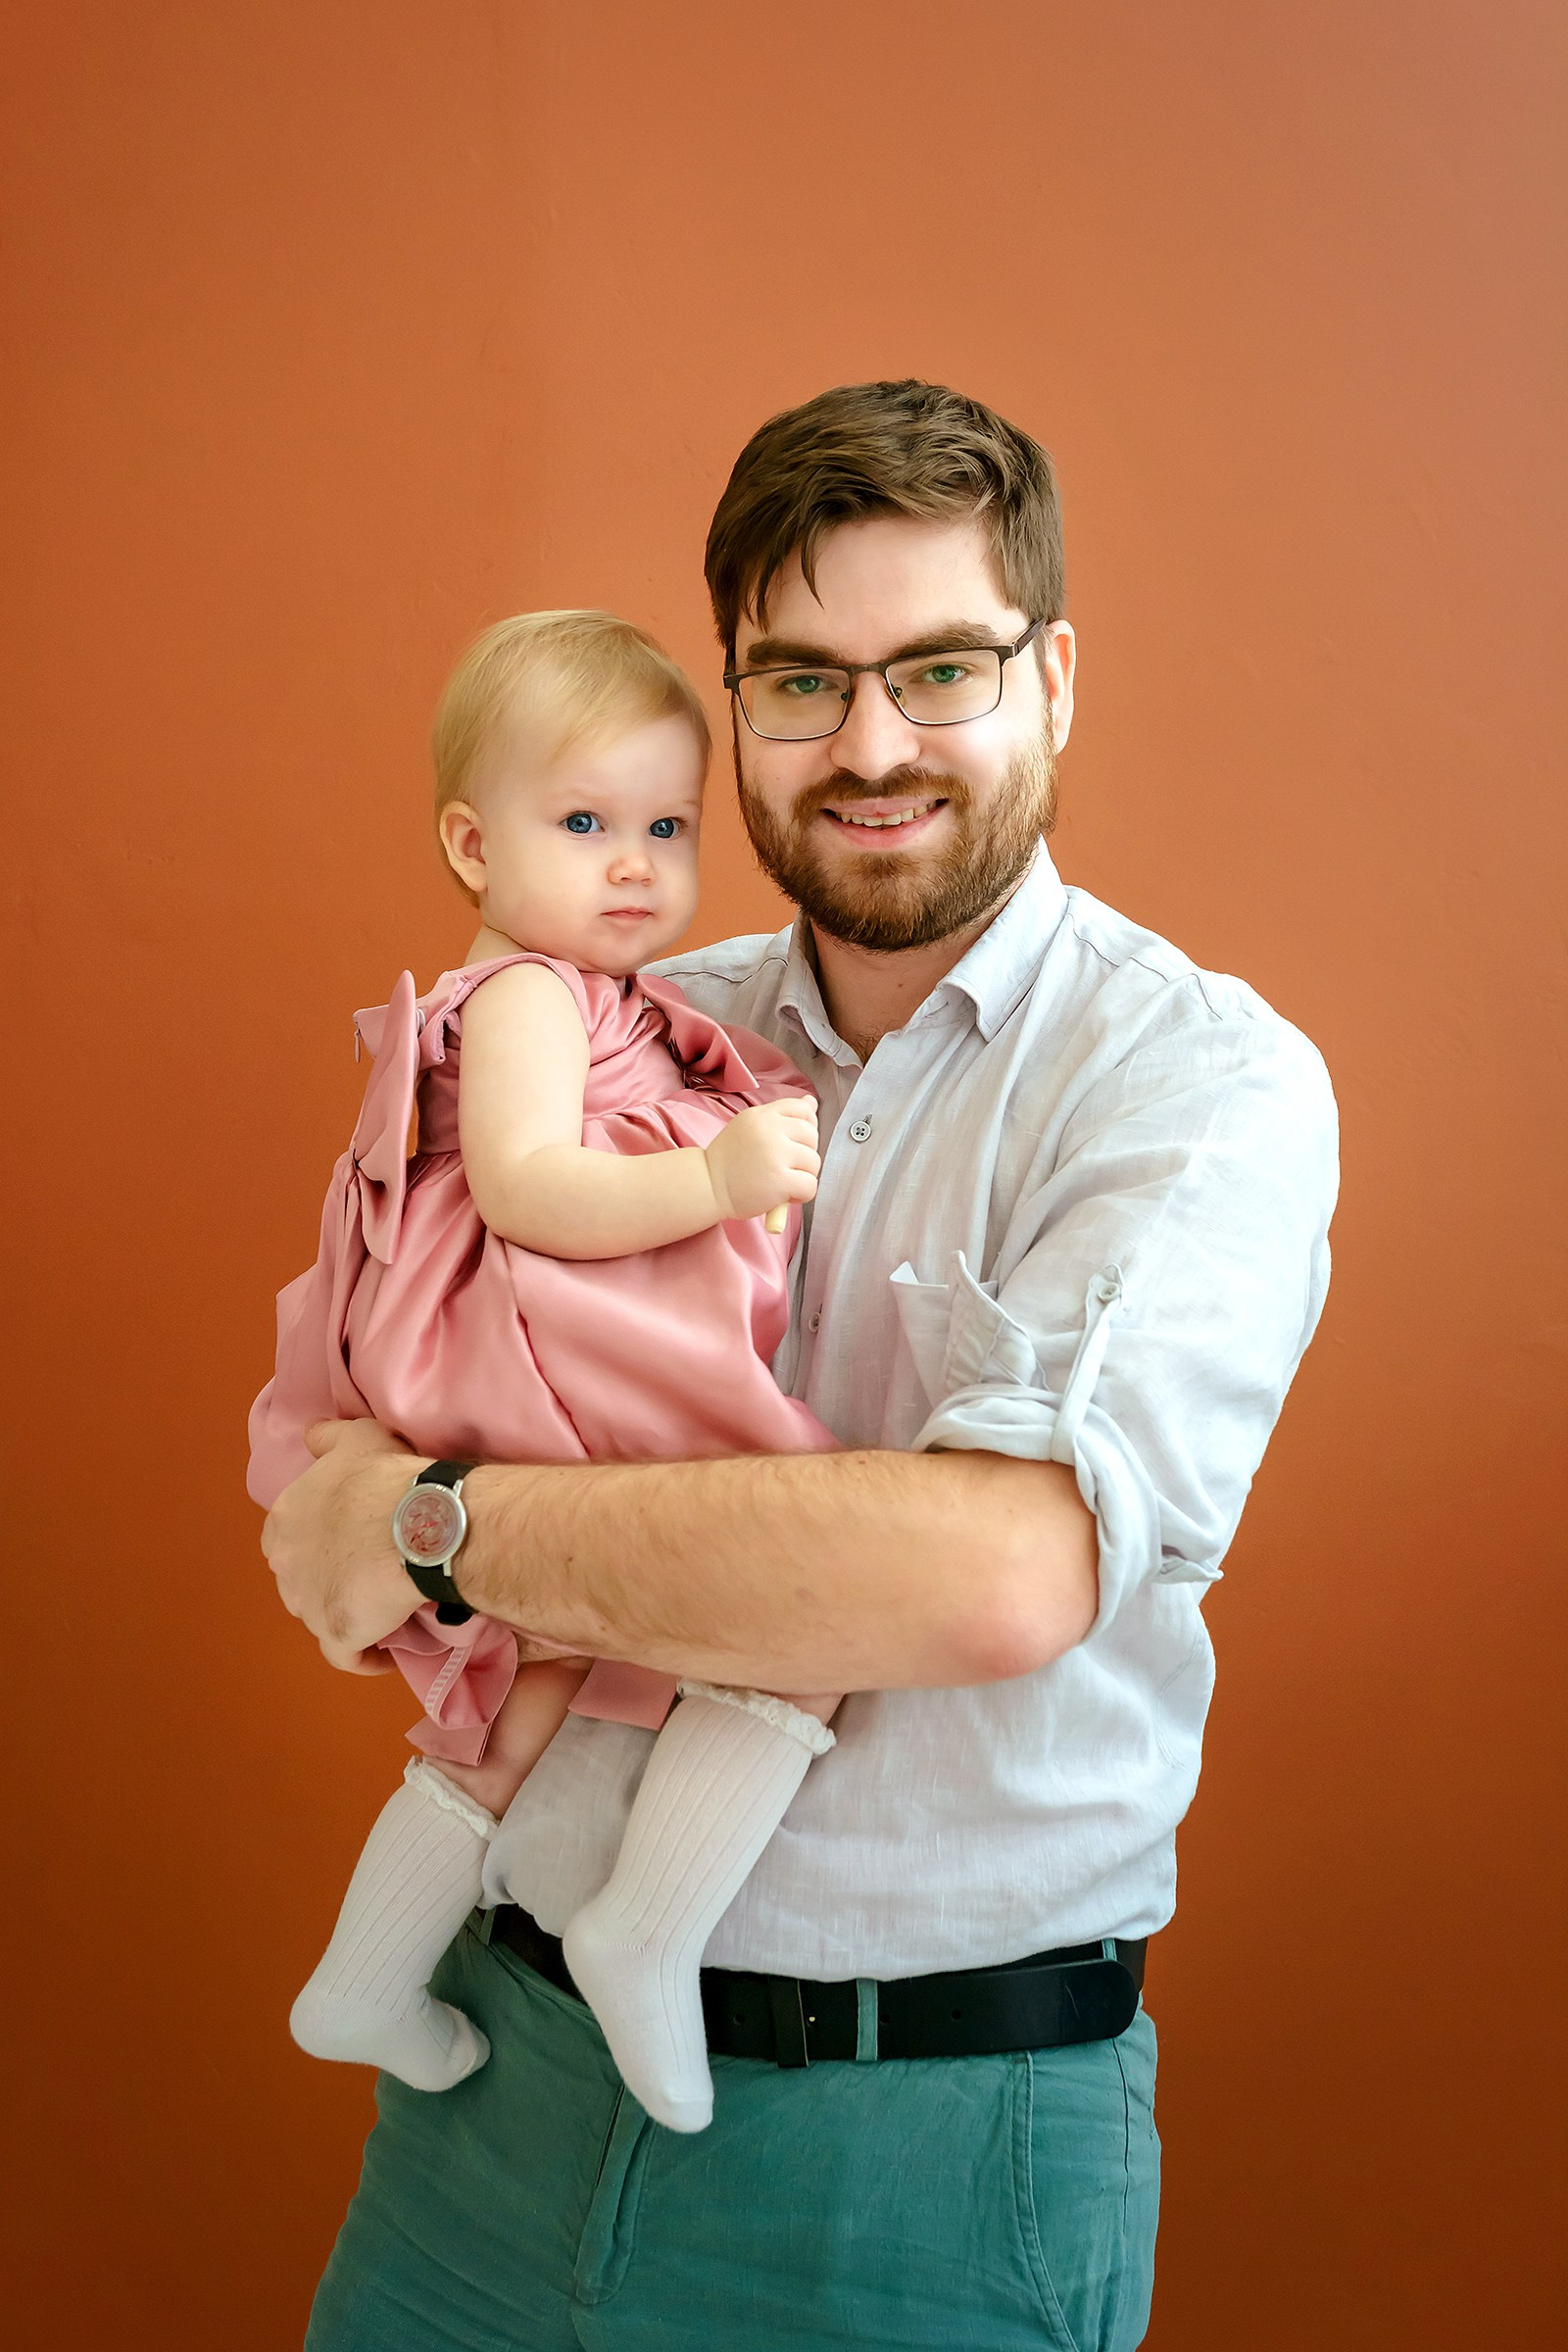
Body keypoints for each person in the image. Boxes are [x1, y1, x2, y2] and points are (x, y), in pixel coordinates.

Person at [264, 379, 1339, 2352]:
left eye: (939, 669)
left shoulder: (1193, 1079)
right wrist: (395, 1506)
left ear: (1052, 679)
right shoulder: (620, 1021)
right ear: (734, 701)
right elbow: (363, 1405)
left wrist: (443, 1529)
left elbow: (991, 1577)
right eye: (799, 682)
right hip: (492, 2091)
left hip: (918, 2148)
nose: (870, 745)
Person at [248, 610, 843, 2132]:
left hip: (533, 1349)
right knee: (805, 1592)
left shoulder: (591, 986)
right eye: (584, 825)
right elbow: (524, 1188)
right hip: (544, 1347)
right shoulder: (527, 993)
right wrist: (714, 1181)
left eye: (665, 826)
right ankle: (648, 1927)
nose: (634, 864)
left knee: (529, 1698)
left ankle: (364, 1981)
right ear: (472, 842)